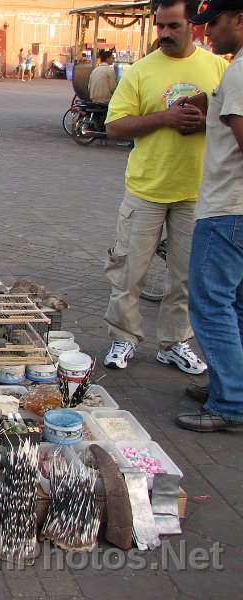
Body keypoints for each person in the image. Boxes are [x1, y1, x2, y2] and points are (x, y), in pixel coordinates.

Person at [101, 0, 228, 373]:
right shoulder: (141, 72)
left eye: (174, 26)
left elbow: (230, 120)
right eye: (160, 27)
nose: (166, 34)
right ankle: (123, 337)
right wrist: (165, 118)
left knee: (186, 276)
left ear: (194, 26)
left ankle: (174, 343)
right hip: (146, 189)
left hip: (196, 190)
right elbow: (114, 127)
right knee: (128, 272)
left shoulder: (218, 68)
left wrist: (202, 123)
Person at [176, 0, 243, 432]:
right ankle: (228, 382)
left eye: (213, 23)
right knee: (234, 305)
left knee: (210, 304)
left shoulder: (238, 73)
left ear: (239, 19)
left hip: (227, 209)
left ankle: (231, 402)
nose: (206, 33)